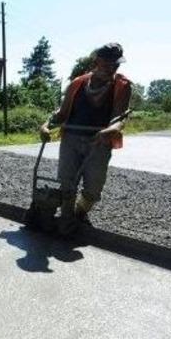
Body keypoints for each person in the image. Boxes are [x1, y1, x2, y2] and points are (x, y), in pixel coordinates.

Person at [38, 43, 132, 234]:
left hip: (99, 142)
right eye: (107, 64)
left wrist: (110, 130)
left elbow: (119, 118)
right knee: (67, 183)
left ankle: (79, 213)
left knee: (93, 189)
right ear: (96, 62)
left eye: (115, 65)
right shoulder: (78, 83)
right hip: (71, 139)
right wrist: (46, 125)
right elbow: (62, 113)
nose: (112, 68)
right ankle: (66, 220)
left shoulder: (123, 86)